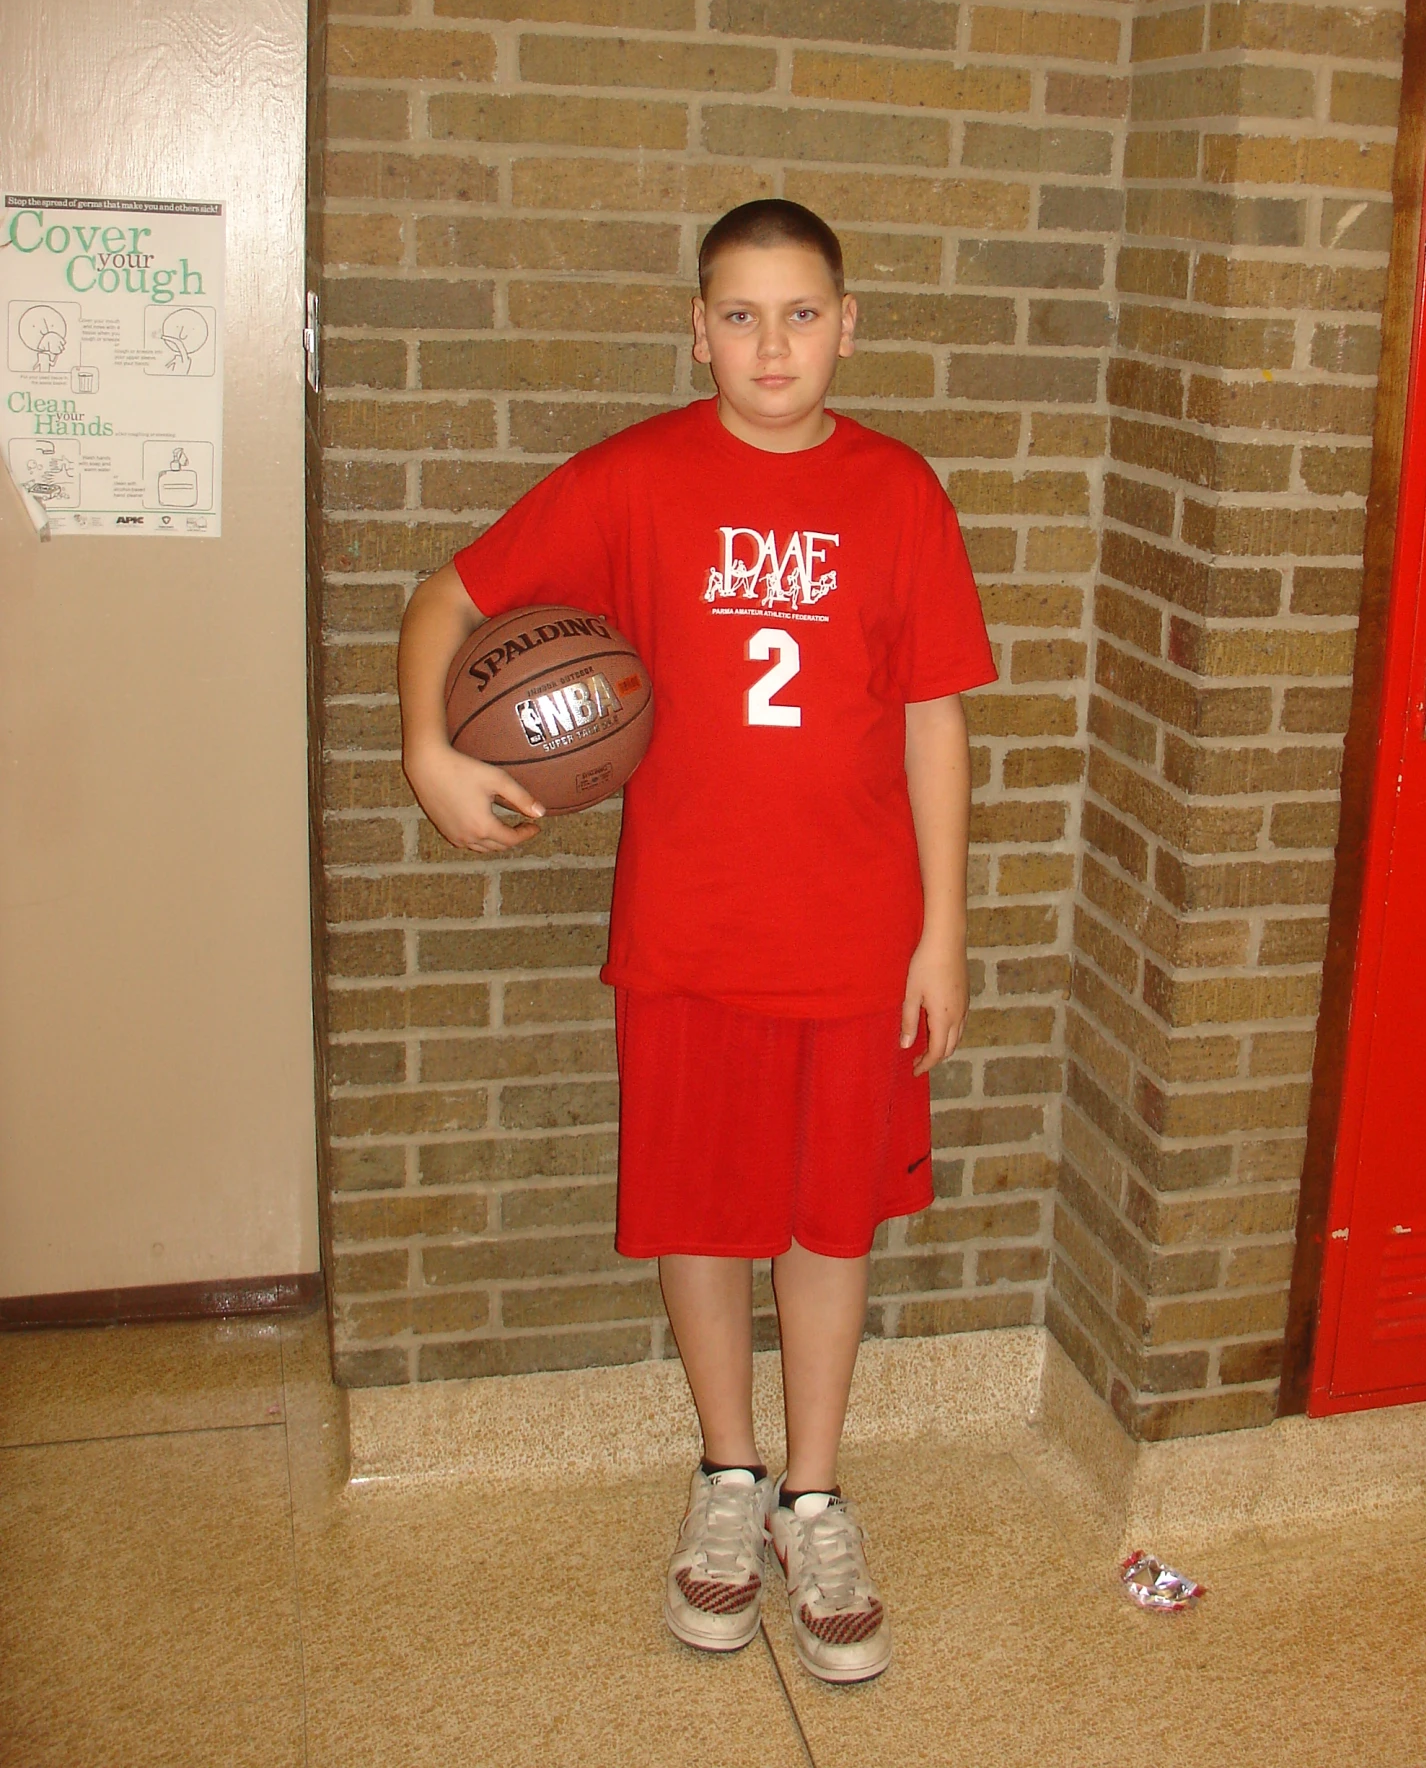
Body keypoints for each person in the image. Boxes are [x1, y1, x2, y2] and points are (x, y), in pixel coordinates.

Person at [397, 199, 995, 1684]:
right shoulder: (636, 478)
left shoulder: (900, 492)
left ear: (848, 325)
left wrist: (945, 931)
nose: (771, 345)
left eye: (800, 314)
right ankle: (726, 1480)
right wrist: (430, 749)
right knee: (701, 1216)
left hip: (856, 942)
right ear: (696, 329)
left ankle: (813, 1490)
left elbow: (935, 722)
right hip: (684, 936)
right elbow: (451, 595)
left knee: (825, 1223)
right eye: (739, 315)